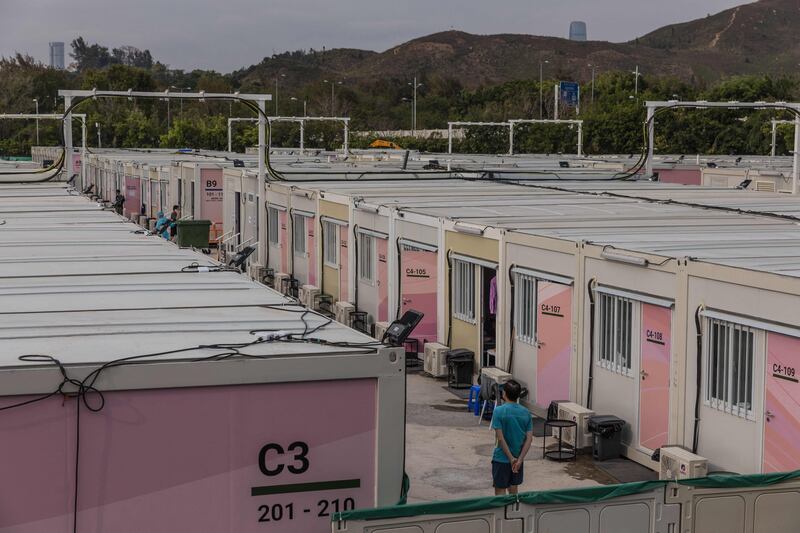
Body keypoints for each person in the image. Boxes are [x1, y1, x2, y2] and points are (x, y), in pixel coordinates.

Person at [490, 379, 533, 495]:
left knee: (500, 491)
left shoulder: (499, 411)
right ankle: (514, 512)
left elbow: (500, 438)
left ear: (504, 394)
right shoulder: (526, 412)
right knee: (514, 490)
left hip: (501, 459)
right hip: (518, 460)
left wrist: (510, 458)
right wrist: (519, 460)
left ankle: (502, 514)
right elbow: (529, 439)